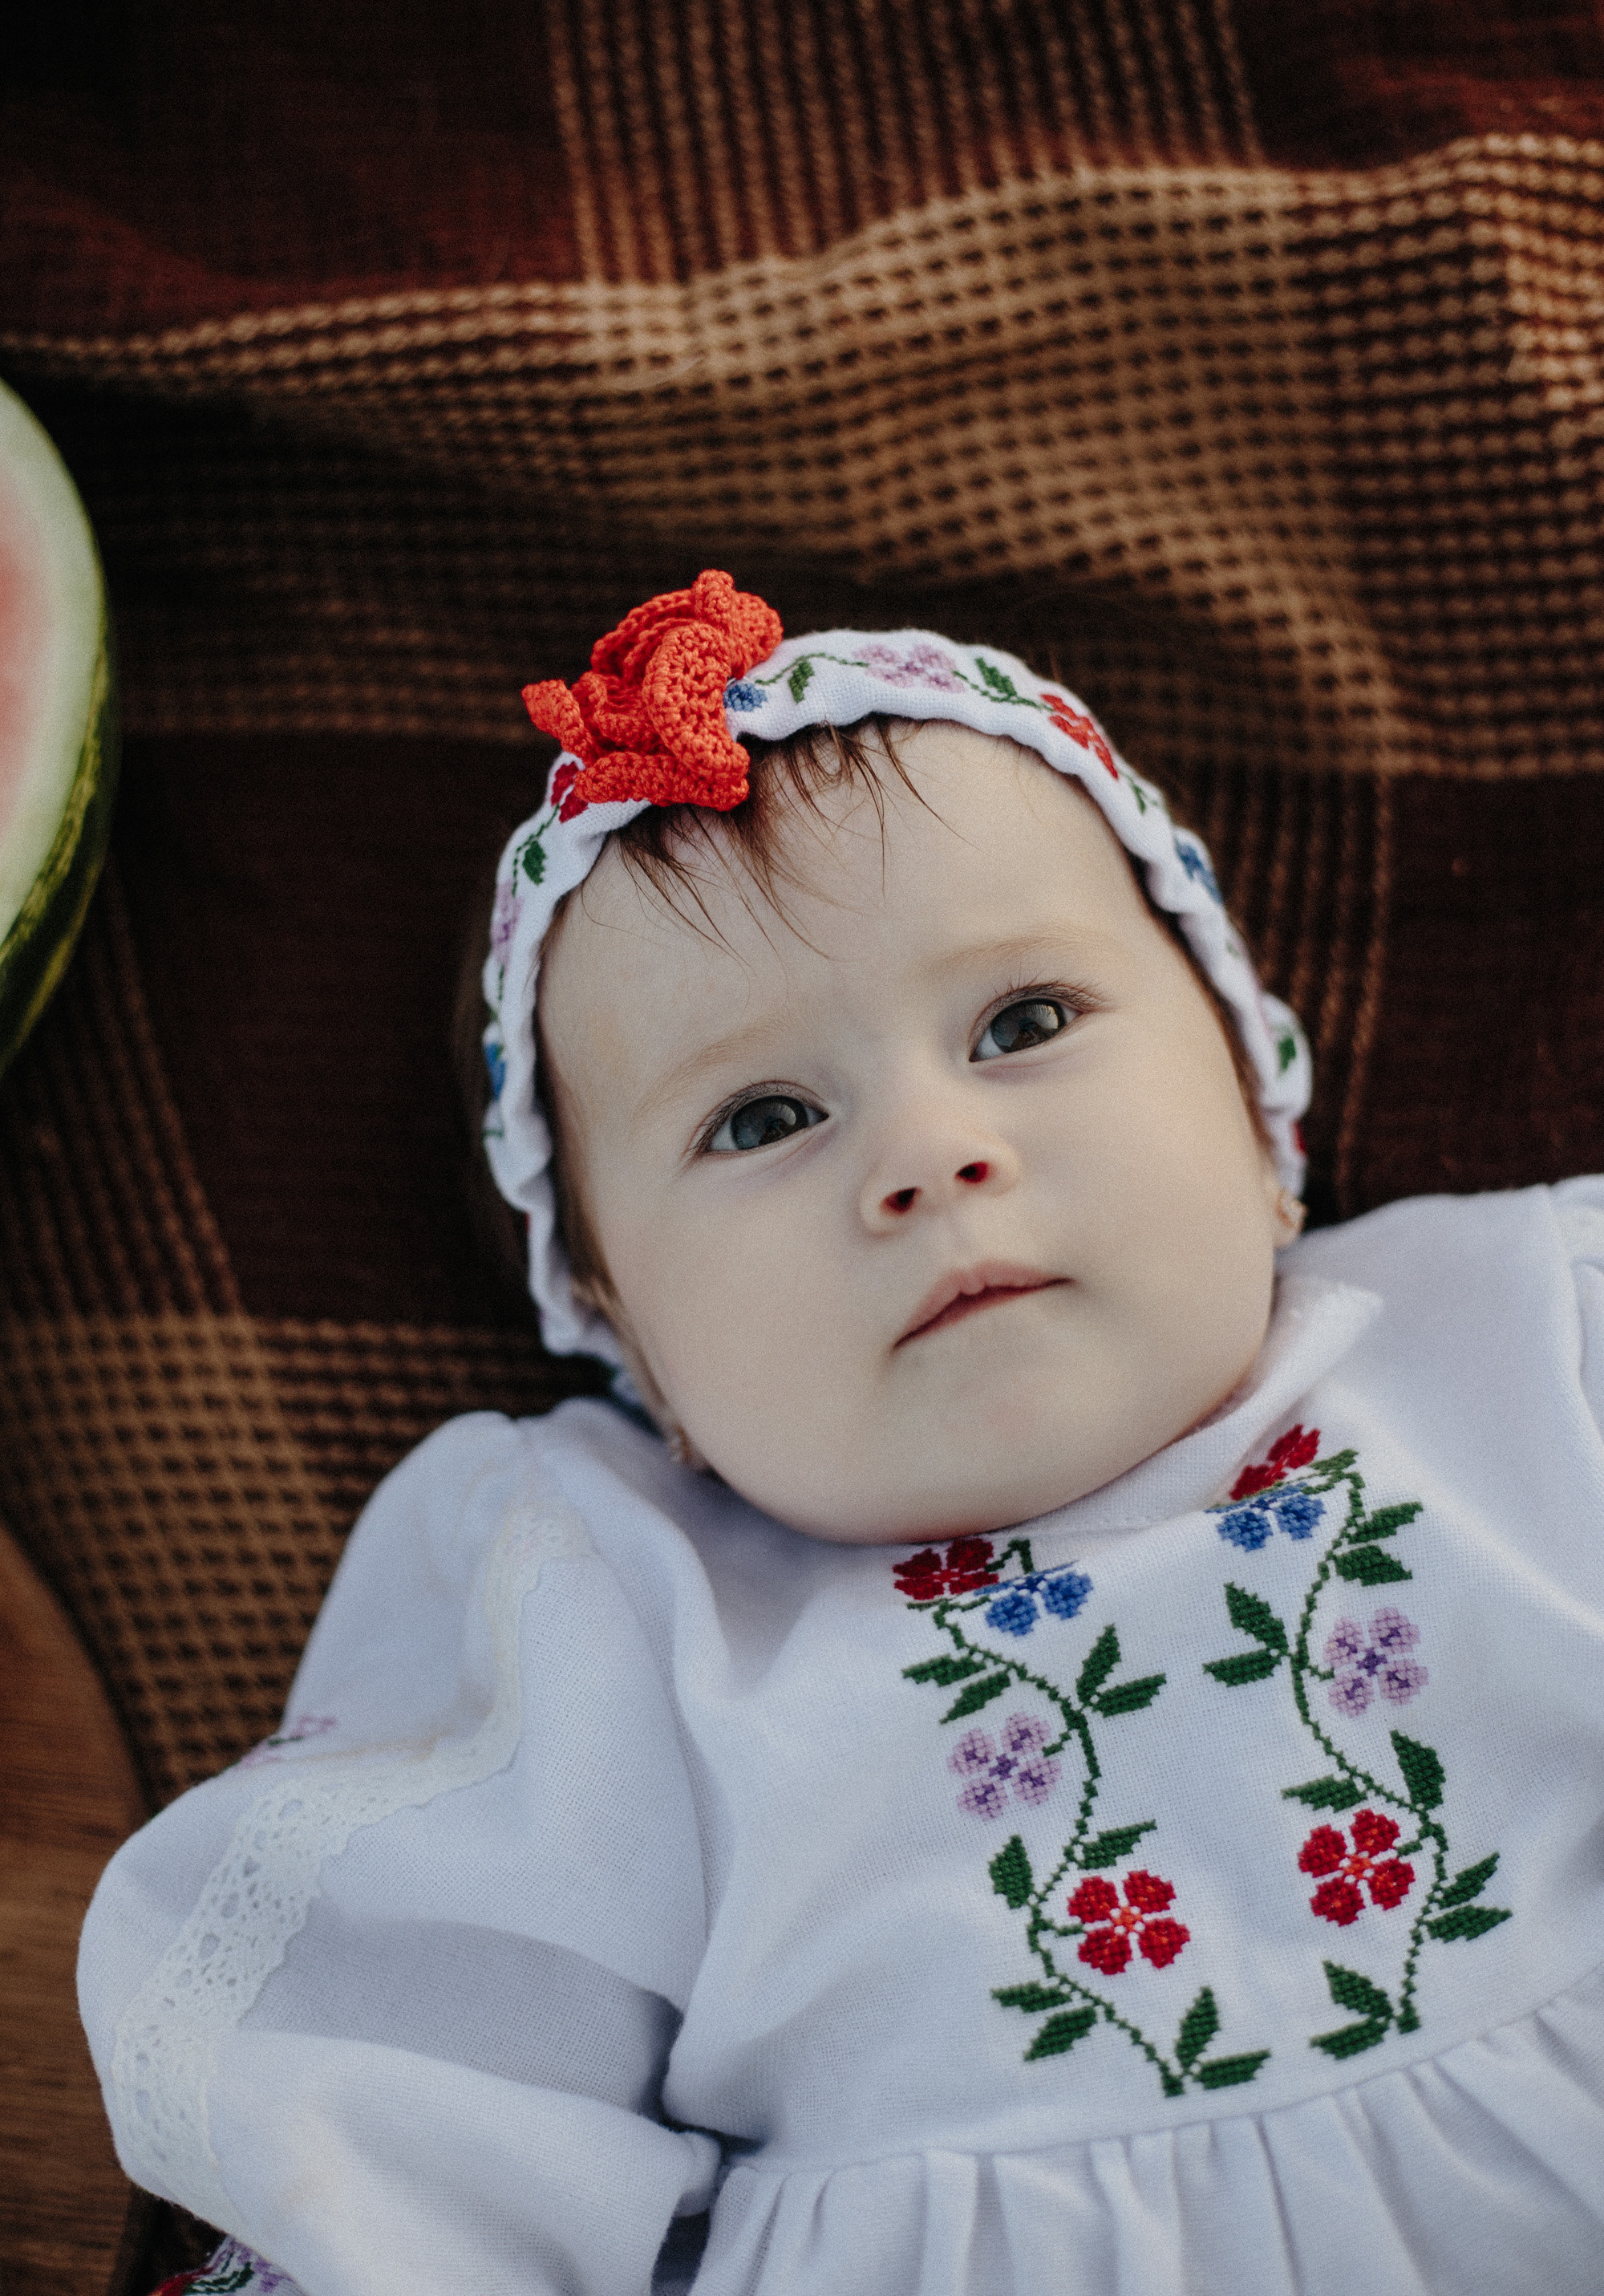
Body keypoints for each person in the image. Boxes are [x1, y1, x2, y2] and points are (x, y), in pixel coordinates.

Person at [79, 574, 1604, 2296]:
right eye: (764, 1117)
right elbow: (420, 2108)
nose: (928, 1151)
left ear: (1257, 1109)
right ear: (623, 1333)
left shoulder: (1531, 1334)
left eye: (1022, 1023)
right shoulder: (614, 1609)